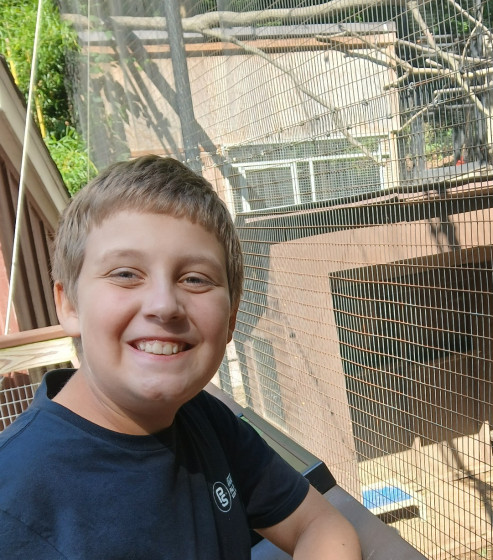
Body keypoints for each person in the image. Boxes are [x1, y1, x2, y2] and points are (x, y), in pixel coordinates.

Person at [0, 155, 362, 560]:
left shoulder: (204, 420)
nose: (164, 305)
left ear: (231, 319)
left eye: (195, 279)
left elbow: (320, 524)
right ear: (69, 304)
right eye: (125, 274)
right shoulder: (13, 503)